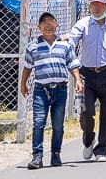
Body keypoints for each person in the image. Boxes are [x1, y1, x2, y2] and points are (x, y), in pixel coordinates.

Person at [67, 0, 106, 162]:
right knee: (86, 111)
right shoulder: (83, 24)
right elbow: (73, 39)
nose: (96, 8)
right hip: (87, 74)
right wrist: (66, 41)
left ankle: (102, 150)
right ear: (89, 6)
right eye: (93, 5)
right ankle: (88, 139)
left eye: (100, 5)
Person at [21, 12, 82, 170]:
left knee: (58, 124)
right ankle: (37, 156)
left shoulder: (65, 46)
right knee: (38, 123)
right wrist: (23, 84)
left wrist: (78, 80)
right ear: (39, 27)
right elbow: (27, 67)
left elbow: (73, 64)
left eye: (51, 22)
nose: (48, 25)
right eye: (44, 23)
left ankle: (56, 153)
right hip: (41, 91)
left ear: (56, 25)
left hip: (60, 90)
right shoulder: (32, 47)